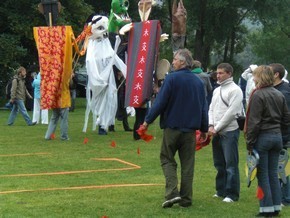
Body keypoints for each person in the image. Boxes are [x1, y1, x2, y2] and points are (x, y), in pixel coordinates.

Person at [140, 48, 208, 208]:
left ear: (183, 62)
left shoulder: (171, 79)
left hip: (172, 128)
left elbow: (160, 103)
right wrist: (204, 128)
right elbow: (203, 107)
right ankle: (186, 198)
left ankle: (172, 193)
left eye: (175, 59)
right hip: (190, 130)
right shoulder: (199, 82)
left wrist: (147, 121)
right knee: (188, 164)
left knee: (167, 158)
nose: (173, 62)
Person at [245, 65, 290, 217]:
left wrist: (249, 143)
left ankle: (266, 209)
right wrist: (284, 137)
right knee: (273, 174)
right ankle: (276, 207)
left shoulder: (258, 95)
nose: (253, 78)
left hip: (263, 137)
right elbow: (286, 119)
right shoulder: (279, 94)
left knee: (262, 175)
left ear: (261, 77)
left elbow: (254, 122)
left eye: (255, 75)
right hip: (277, 137)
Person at [208, 63, 243, 203]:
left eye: (221, 73)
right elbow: (211, 108)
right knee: (219, 163)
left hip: (229, 131)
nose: (218, 75)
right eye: (217, 73)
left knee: (231, 164)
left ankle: (232, 193)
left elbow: (232, 112)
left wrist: (217, 128)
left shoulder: (235, 90)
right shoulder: (217, 90)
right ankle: (220, 190)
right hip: (216, 131)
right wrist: (211, 124)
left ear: (229, 73)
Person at [270, 63, 290, 207]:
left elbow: (285, 117)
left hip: (281, 134)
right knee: (277, 166)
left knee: (282, 166)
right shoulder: (276, 89)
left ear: (276, 74)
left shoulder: (284, 92)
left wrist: (284, 136)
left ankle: (285, 197)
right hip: (277, 133)